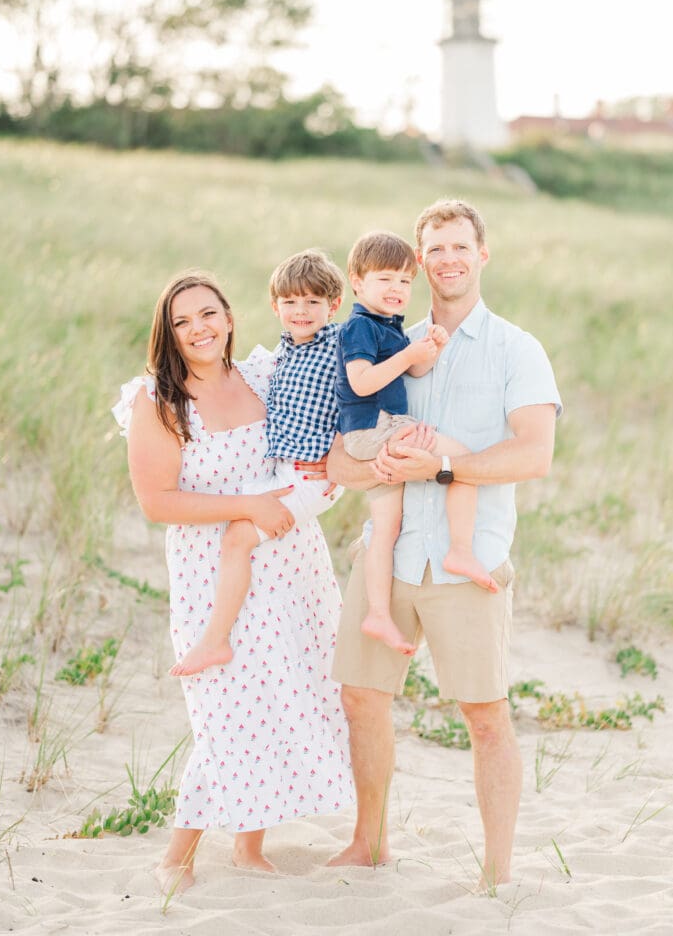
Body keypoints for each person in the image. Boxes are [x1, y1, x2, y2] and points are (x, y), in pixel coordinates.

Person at [325, 198, 562, 887]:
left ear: (481, 254)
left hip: (469, 557)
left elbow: (533, 455)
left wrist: (446, 468)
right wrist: (378, 468)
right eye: (435, 249)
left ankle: (496, 874)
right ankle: (369, 844)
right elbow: (340, 457)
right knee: (361, 696)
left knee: (485, 716)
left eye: (461, 246)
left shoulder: (517, 349)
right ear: (418, 259)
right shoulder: (383, 340)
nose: (448, 260)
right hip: (388, 553)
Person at [112, 270, 354, 890]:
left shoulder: (264, 375)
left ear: (229, 316)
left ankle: (249, 847)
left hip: (290, 561)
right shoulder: (159, 401)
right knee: (227, 710)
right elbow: (158, 502)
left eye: (208, 314)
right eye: (183, 321)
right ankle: (177, 856)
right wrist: (247, 508)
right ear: (167, 333)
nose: (199, 329)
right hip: (210, 568)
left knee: (276, 699)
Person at [168, 250, 346, 677]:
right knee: (237, 521)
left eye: (312, 302)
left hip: (306, 477)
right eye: (290, 302)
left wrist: (340, 453)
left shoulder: (338, 347)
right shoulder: (280, 356)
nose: (300, 311)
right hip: (288, 476)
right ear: (274, 306)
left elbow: (360, 396)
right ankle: (215, 637)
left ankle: (214, 641)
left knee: (237, 538)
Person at [335, 231, 498, 657]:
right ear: (357, 281)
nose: (397, 290)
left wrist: (429, 352)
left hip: (376, 430)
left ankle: (377, 613)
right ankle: (461, 550)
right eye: (385, 279)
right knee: (462, 458)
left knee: (385, 529)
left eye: (406, 282)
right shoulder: (359, 327)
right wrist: (409, 356)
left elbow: (415, 374)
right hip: (375, 427)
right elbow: (362, 381)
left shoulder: (387, 327)